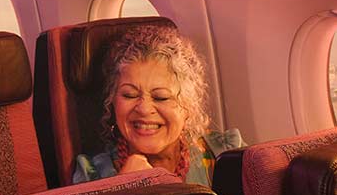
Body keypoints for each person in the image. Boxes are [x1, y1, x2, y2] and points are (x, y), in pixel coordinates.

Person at [72, 26, 243, 185]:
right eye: (129, 95)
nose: (144, 109)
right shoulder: (91, 175)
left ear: (188, 107)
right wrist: (124, 188)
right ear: (112, 102)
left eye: (161, 98)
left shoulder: (225, 154)